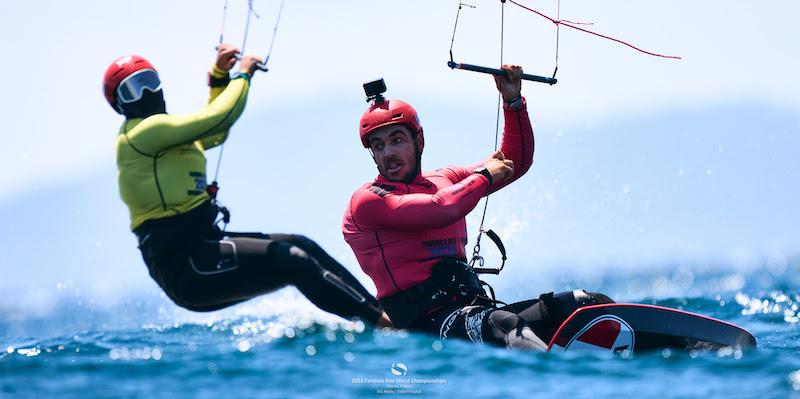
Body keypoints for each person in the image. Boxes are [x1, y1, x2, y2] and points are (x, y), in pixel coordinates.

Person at [106, 45, 391, 327]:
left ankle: (381, 311)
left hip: (204, 246)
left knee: (301, 245)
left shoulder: (164, 137)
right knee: (293, 260)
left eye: (149, 82)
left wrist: (219, 77)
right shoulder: (140, 134)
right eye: (132, 89)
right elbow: (220, 117)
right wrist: (243, 75)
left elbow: (215, 133)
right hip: (186, 269)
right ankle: (382, 324)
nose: (145, 93)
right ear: (120, 104)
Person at [343, 65, 612, 349]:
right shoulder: (369, 200)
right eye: (378, 146)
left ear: (419, 141)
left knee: (588, 305)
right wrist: (484, 177)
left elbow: (512, 162)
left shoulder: (445, 179)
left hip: (474, 309)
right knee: (508, 325)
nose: (388, 153)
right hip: (425, 327)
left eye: (396, 140)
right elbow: (440, 209)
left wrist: (513, 102)